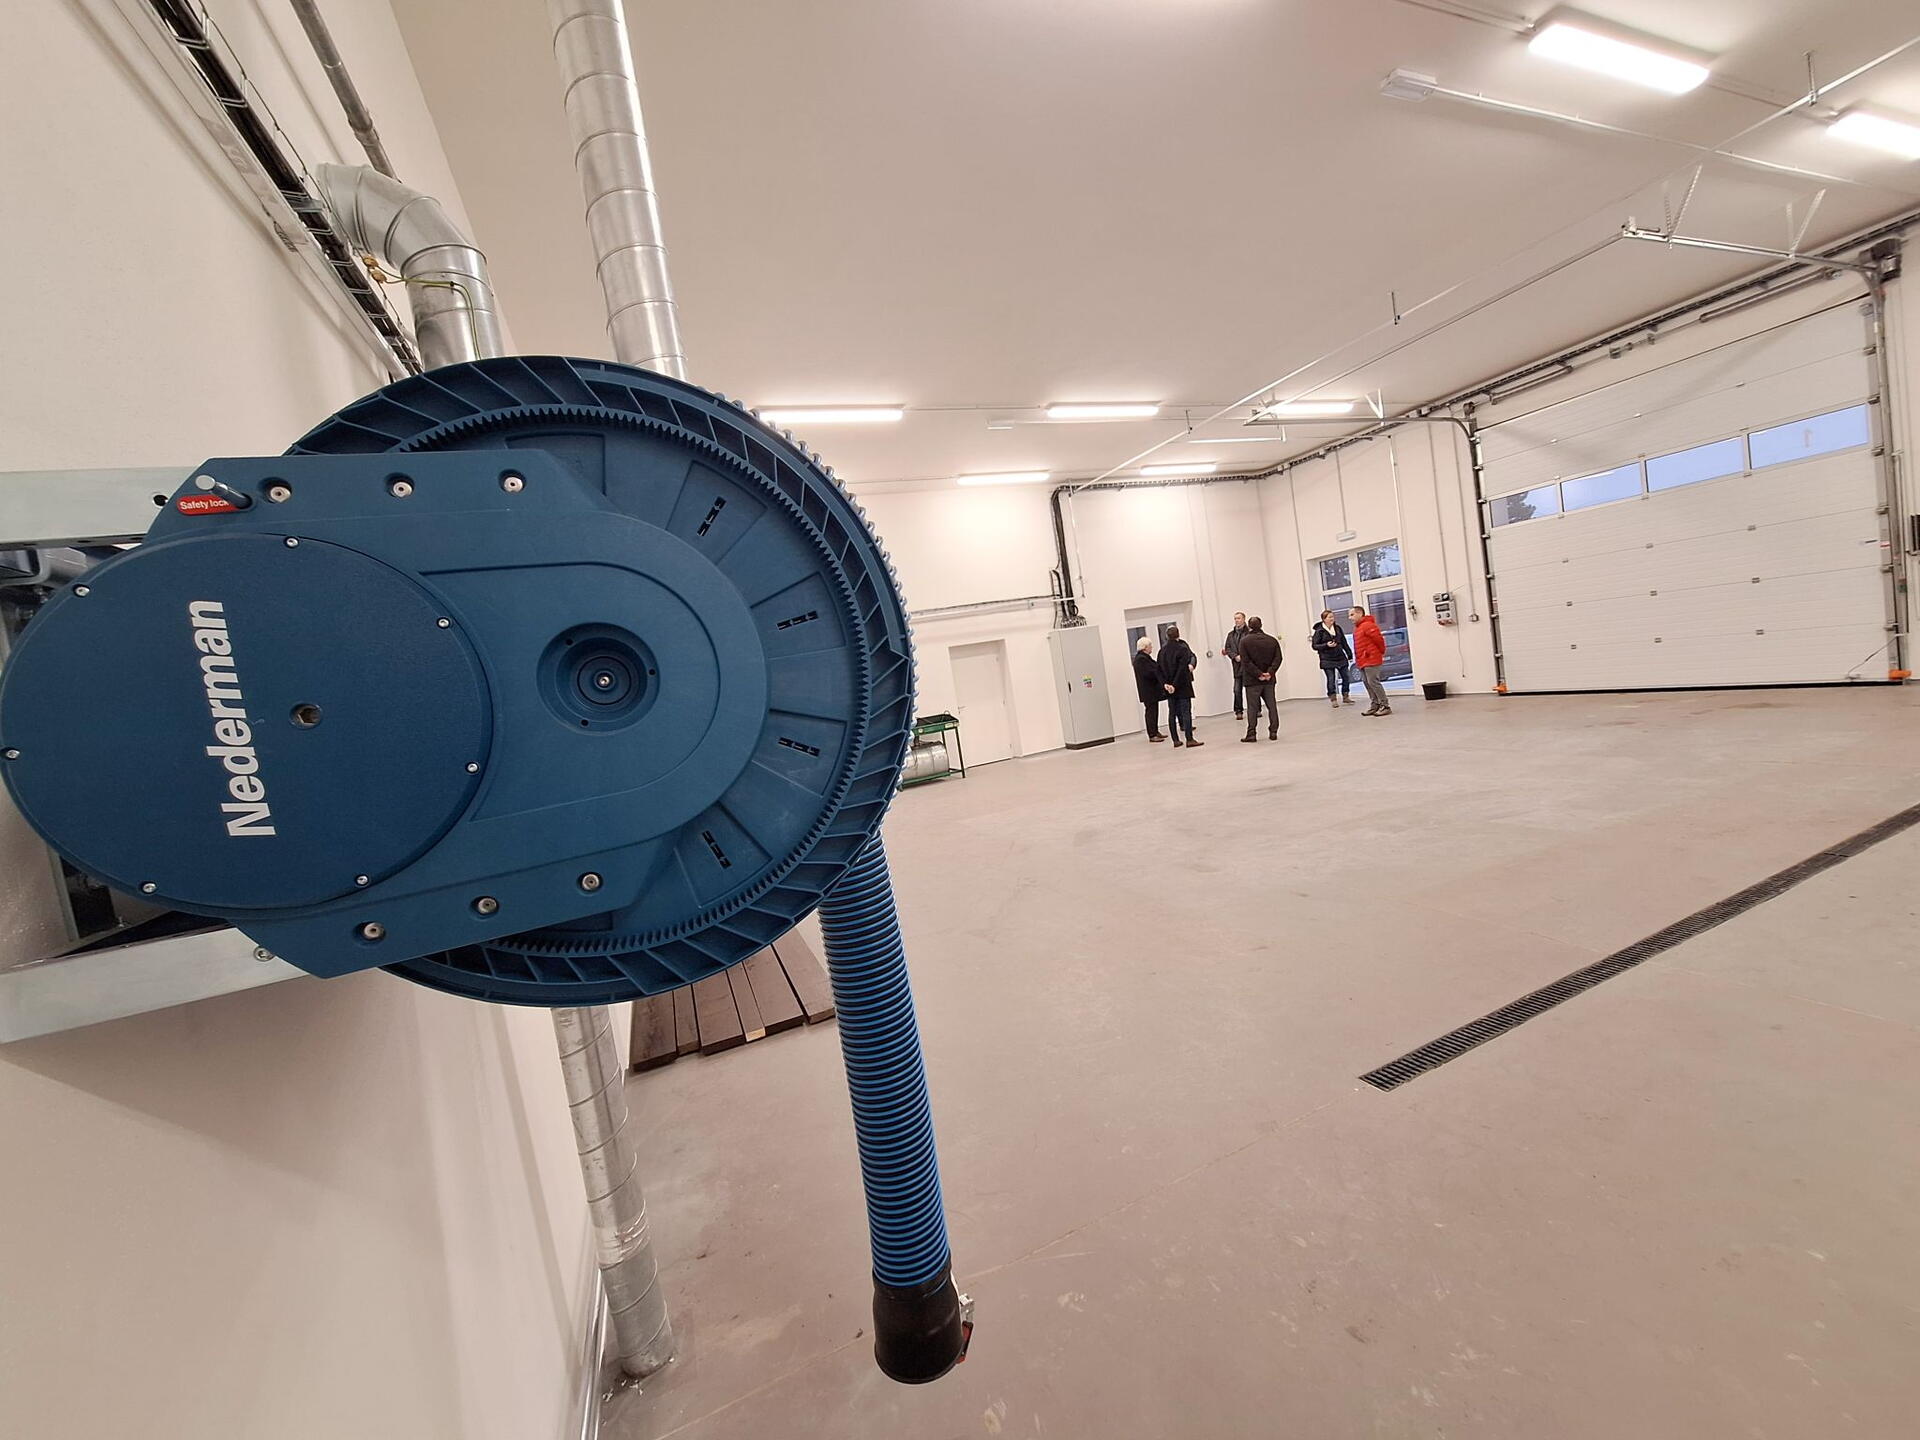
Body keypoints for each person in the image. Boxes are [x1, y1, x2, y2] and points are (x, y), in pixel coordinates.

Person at [1157, 625, 1203, 748]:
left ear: (1167, 636)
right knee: (1186, 712)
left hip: (1169, 688)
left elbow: (1159, 670)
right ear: (1178, 635)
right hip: (1182, 686)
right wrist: (1175, 685)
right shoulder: (1182, 649)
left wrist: (1165, 684)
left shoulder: (1162, 651)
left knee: (1172, 713)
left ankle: (1175, 740)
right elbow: (1182, 669)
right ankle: (1189, 739)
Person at [1237, 617, 1282, 742]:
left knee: (1252, 708)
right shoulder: (1272, 640)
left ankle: (1251, 733)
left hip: (1252, 681)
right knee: (1272, 706)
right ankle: (1273, 731)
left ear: (1249, 626)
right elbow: (1278, 658)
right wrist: (1269, 672)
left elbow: (1246, 662)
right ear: (1261, 625)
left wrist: (1258, 674)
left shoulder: (1244, 641)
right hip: (1269, 680)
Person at [1349, 606, 1391, 716]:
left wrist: (1379, 653)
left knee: (1373, 682)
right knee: (1366, 682)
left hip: (1371, 658)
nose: (1350, 617)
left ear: (1359, 614)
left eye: (1352, 614)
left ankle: (1385, 705)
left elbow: (1379, 640)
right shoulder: (1357, 628)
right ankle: (1375, 704)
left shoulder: (1368, 625)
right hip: (1362, 660)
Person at [1311, 609, 1354, 707]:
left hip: (1340, 656)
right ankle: (1333, 698)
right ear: (1324, 619)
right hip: (1327, 659)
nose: (1332, 619)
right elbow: (1314, 646)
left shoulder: (1337, 628)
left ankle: (1346, 696)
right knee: (1331, 679)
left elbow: (1344, 642)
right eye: (1329, 617)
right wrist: (1326, 645)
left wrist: (1349, 654)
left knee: (1346, 677)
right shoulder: (1319, 631)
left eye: (1333, 617)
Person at [1132, 636, 1167, 742]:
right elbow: (1149, 673)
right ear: (1145, 647)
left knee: (1154, 711)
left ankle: (1155, 731)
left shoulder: (1145, 658)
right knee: (1151, 712)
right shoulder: (1141, 659)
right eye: (1150, 645)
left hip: (1151, 690)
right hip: (1148, 691)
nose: (1151, 647)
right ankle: (1152, 734)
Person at [1221, 612, 1249, 720]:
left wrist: (1243, 656)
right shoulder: (1231, 635)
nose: (1237, 620)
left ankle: (1256, 710)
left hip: (1248, 666)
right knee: (1237, 690)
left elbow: (1252, 647)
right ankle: (1238, 711)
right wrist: (1234, 656)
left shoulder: (1249, 633)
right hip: (1237, 667)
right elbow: (1227, 648)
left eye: (1239, 618)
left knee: (1251, 690)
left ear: (1244, 619)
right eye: (1235, 618)